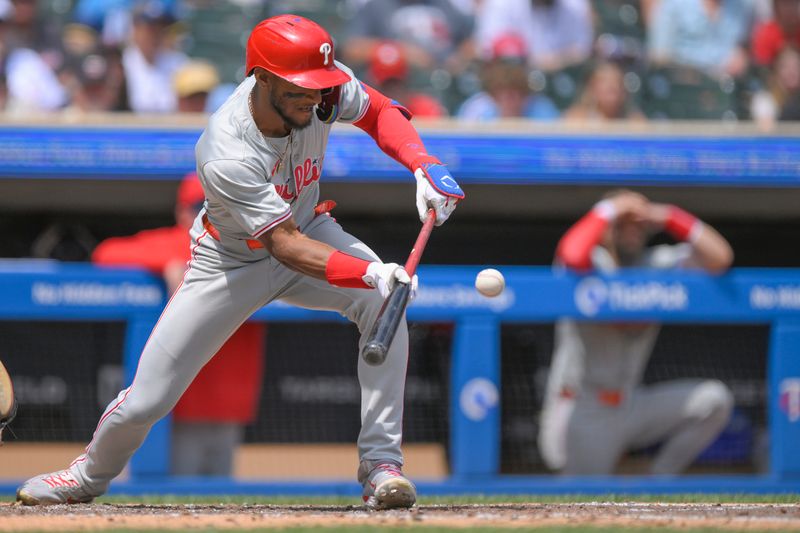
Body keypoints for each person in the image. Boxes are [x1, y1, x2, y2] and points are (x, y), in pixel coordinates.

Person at [16, 14, 463, 510]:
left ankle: (381, 465)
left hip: (306, 225)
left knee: (383, 304)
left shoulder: (321, 91)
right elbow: (286, 247)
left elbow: (380, 112)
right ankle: (85, 475)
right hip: (231, 260)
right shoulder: (226, 146)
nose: (315, 98)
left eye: (319, 87)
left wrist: (424, 164)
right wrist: (371, 271)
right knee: (148, 398)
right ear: (262, 78)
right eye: (300, 88)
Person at [538, 190, 734, 475]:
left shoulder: (655, 265)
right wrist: (609, 209)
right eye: (622, 225)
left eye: (638, 225)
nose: (631, 231)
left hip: (630, 403)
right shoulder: (590, 262)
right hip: (582, 408)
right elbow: (572, 253)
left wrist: (668, 215)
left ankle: (659, 481)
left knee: (714, 400)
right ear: (605, 230)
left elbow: (720, 258)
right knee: (584, 503)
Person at [91, 173, 265, 477]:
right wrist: (169, 260)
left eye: (216, 205)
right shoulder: (174, 242)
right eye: (198, 206)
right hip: (177, 408)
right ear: (180, 211)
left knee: (220, 507)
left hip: (229, 406)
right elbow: (105, 253)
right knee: (172, 501)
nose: (206, 215)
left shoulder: (253, 245)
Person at [457, 33, 559, 121]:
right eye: (503, 64)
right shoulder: (475, 110)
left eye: (516, 65)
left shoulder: (543, 110)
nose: (509, 73)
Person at [647, 0, 754, 78]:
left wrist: (742, 59)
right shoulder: (674, 4)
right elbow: (659, 57)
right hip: (683, 91)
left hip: (727, 90)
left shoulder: (742, 5)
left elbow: (742, 47)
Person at [366, 40, 448, 118]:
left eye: (396, 84)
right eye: (386, 86)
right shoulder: (363, 112)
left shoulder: (424, 109)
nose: (392, 92)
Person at [563, 61, 646, 121]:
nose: (612, 87)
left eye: (617, 81)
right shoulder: (576, 120)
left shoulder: (633, 120)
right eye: (604, 81)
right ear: (591, 88)